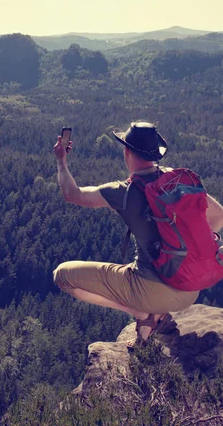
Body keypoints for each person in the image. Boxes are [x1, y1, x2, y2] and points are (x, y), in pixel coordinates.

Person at [53, 121, 223, 347]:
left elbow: (72, 194)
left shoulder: (123, 191)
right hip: (191, 289)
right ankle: (156, 313)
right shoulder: (177, 181)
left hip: (151, 292)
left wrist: (61, 161)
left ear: (127, 152)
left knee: (62, 276)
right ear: (155, 154)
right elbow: (218, 216)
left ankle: (143, 315)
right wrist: (188, 248)